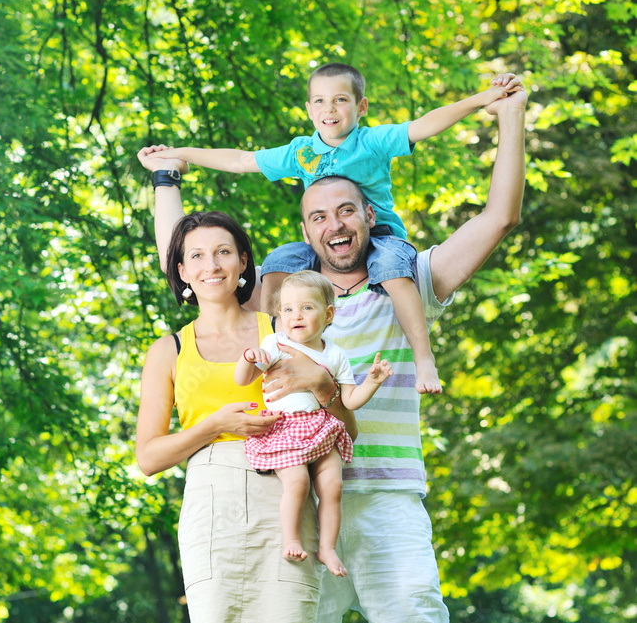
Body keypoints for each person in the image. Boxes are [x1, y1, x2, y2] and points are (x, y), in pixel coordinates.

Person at [141, 73, 527, 623]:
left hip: (383, 500)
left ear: (369, 215)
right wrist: (166, 181)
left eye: (346, 210)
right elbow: (193, 265)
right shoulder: (278, 303)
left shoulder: (408, 279)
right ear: (303, 228)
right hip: (292, 508)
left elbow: (497, 216)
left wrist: (509, 118)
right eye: (317, 214)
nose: (334, 224)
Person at [134, 194, 356, 623]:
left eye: (223, 252)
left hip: (286, 489)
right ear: (180, 271)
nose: (211, 265)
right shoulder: (169, 349)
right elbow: (148, 456)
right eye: (196, 256)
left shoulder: (283, 323)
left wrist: (326, 388)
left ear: (242, 263)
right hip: (210, 498)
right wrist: (213, 424)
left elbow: (344, 417)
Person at [147, 64, 520, 396]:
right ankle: (279, 346)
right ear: (309, 109)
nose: (330, 110)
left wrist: (488, 101)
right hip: (299, 446)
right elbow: (240, 162)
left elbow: (425, 127)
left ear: (361, 107)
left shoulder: (371, 144)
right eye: (320, 102)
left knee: (391, 268)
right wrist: (175, 159)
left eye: (340, 100)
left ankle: (425, 358)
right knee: (278, 260)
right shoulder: (302, 154)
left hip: (385, 240)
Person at [236, 270, 393, 577]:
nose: (296, 315)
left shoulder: (335, 354)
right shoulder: (275, 342)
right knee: (298, 482)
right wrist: (248, 357)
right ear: (280, 315)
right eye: (288, 309)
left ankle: (327, 548)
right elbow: (243, 379)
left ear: (328, 314)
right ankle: (291, 540)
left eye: (307, 307)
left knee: (333, 485)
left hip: (320, 427)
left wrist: (373, 382)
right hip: (285, 428)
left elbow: (349, 401)